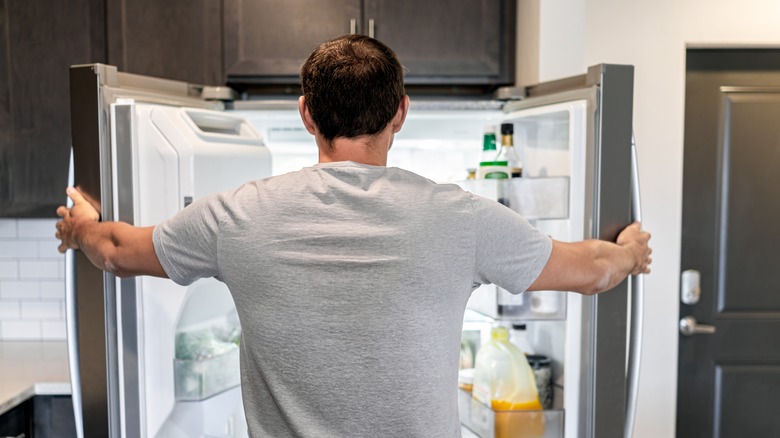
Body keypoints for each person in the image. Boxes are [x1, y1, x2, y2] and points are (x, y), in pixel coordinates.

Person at [56, 34, 651, 438]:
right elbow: (591, 269)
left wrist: (80, 225)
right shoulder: (463, 218)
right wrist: (629, 252)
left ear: (307, 114)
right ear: (400, 112)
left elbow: (114, 250)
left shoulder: (237, 215)